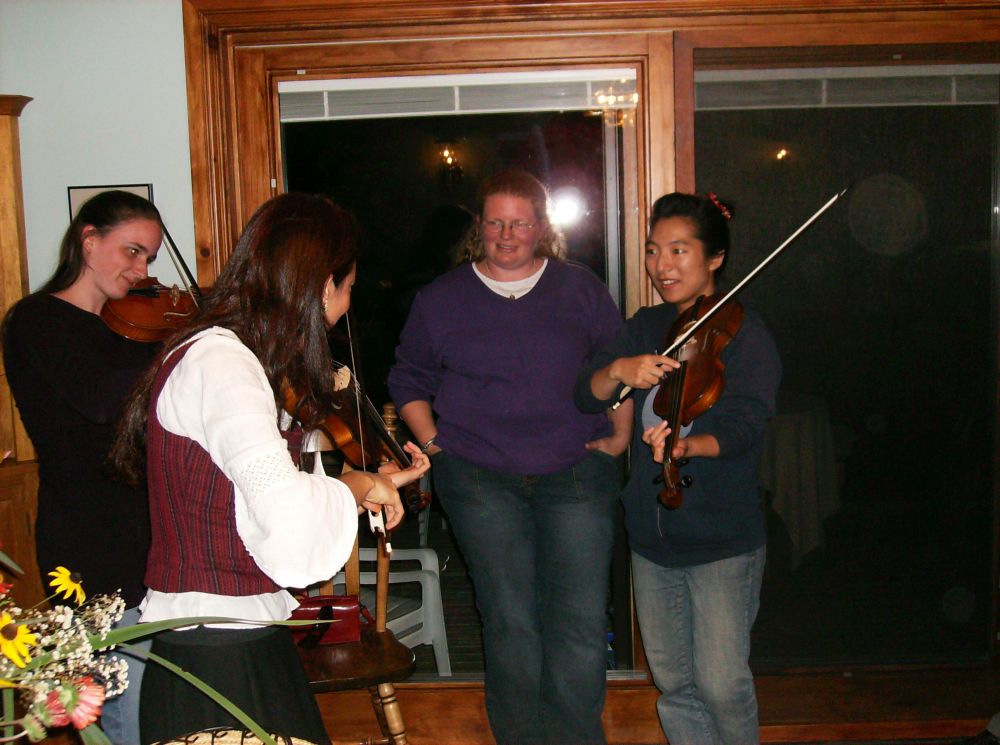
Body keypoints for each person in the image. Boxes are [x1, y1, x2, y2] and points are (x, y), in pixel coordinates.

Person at [108, 192, 429, 744]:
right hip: (216, 649)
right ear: (321, 285)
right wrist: (357, 483)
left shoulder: (238, 358)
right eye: (348, 288)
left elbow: (253, 497)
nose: (346, 307)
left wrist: (372, 483)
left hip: (242, 631)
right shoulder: (222, 363)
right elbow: (284, 515)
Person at [388, 169, 629, 745]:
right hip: (479, 480)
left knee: (578, 625)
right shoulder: (441, 298)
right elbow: (408, 378)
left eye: (519, 223)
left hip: (576, 474)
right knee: (510, 622)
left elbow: (618, 367)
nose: (506, 235)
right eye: (495, 222)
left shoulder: (581, 289)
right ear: (480, 226)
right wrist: (435, 444)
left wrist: (620, 438)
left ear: (541, 227)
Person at [575, 192, 781, 745]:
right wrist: (621, 369)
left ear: (714, 258)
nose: (661, 265)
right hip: (652, 536)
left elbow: (745, 427)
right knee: (675, 685)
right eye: (652, 250)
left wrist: (688, 447)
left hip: (721, 537)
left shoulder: (745, 334)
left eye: (678, 250)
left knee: (721, 684)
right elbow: (586, 393)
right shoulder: (646, 327)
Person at [1, 189, 165, 745]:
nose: (142, 270)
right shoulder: (37, 320)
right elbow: (99, 400)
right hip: (89, 539)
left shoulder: (139, 330)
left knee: (153, 704)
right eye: (132, 251)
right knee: (122, 708)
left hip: (148, 535)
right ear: (88, 240)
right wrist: (178, 348)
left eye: (149, 258)